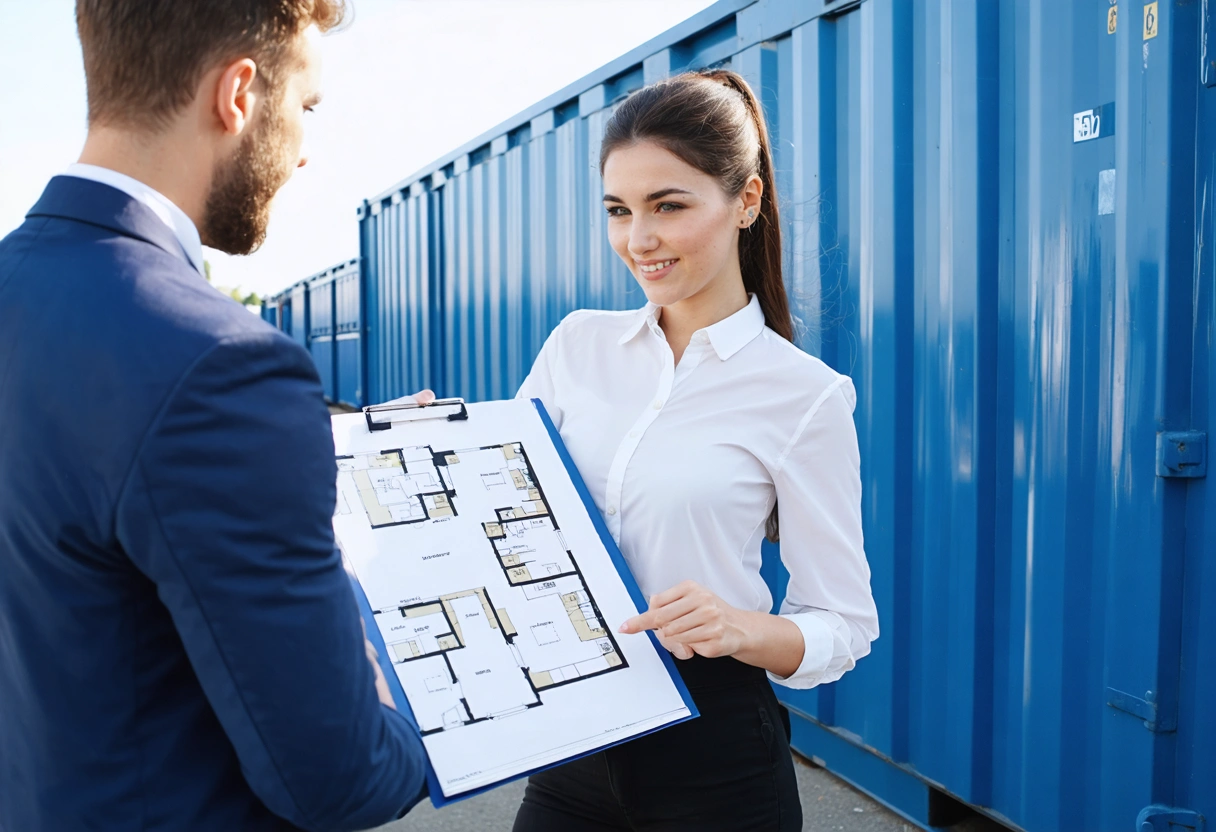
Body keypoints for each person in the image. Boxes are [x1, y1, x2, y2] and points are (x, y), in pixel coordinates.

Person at [0, 2, 433, 830]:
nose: (306, 150)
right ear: (238, 94)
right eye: (305, 107)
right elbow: (340, 779)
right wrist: (413, 701)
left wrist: (314, 453)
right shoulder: (223, 368)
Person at [511, 70, 880, 831]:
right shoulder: (577, 346)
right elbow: (509, 514)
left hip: (715, 763)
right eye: (619, 210)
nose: (638, 239)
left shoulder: (803, 393)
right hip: (570, 744)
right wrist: (429, 445)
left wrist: (740, 628)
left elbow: (843, 623)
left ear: (745, 201)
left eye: (668, 206)